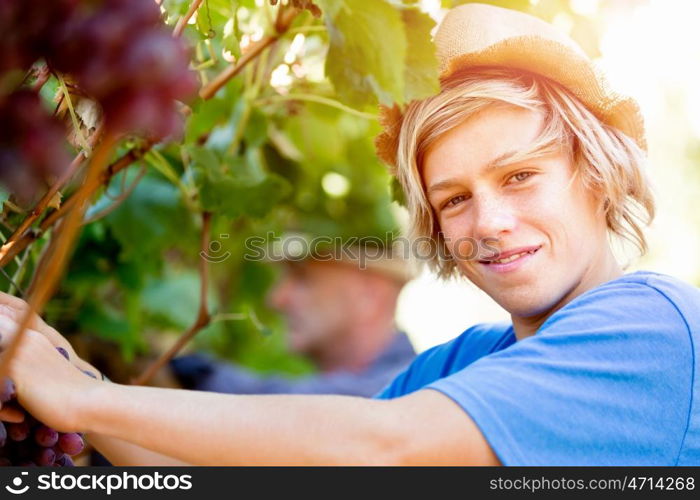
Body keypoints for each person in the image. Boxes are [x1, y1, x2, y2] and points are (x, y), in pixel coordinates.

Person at [0, 3, 699, 465]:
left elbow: (381, 449)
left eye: (518, 177)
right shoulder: (460, 366)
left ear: (598, 175)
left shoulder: (653, 329)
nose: (487, 222)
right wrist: (62, 378)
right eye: (453, 199)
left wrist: (79, 398)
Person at [169, 247, 416, 397]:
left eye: (302, 279)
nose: (276, 299)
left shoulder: (408, 391)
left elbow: (301, 412)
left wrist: (196, 371)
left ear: (369, 295)